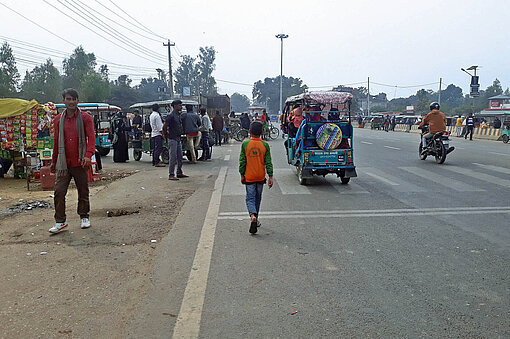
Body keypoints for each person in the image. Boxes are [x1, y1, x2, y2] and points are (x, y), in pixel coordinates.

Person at [48, 89, 95, 234]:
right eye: (68, 99)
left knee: (83, 190)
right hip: (63, 164)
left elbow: (91, 138)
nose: (71, 102)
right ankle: (60, 221)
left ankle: (84, 217)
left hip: (80, 161)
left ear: (78, 101)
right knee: (59, 192)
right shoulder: (57, 120)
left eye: (74, 99)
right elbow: (56, 142)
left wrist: (88, 155)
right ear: (63, 101)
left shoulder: (86, 118)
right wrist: (54, 161)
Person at [239, 122, 274, 234]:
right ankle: (256, 218)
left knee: (250, 198)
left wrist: (242, 174)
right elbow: (268, 162)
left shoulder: (245, 144)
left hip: (249, 177)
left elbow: (242, 162)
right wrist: (271, 176)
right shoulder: (265, 145)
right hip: (260, 176)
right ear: (262, 133)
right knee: (257, 198)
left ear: (250, 132)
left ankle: (253, 216)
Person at [163, 100, 188, 180]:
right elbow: (164, 127)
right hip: (172, 138)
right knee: (173, 157)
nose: (181, 107)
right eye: (179, 105)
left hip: (178, 138)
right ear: (175, 106)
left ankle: (179, 172)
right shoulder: (171, 116)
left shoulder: (178, 115)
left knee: (180, 156)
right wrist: (165, 137)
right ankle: (171, 174)